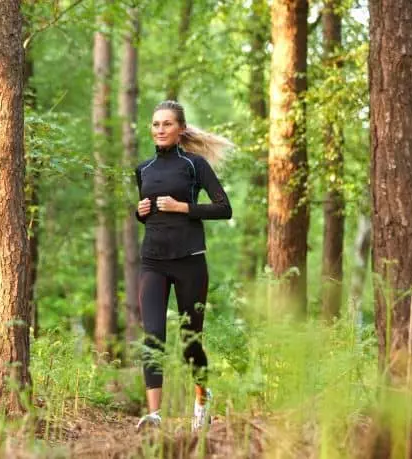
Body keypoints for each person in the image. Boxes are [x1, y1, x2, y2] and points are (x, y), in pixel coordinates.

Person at [133, 100, 233, 433]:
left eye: (166, 124)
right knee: (153, 336)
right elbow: (146, 214)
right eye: (155, 124)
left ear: (180, 129)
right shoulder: (143, 170)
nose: (159, 129)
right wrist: (140, 212)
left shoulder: (195, 165)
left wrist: (182, 206)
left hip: (189, 261)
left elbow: (224, 208)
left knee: (191, 339)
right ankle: (154, 415)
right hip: (153, 262)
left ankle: (203, 400)